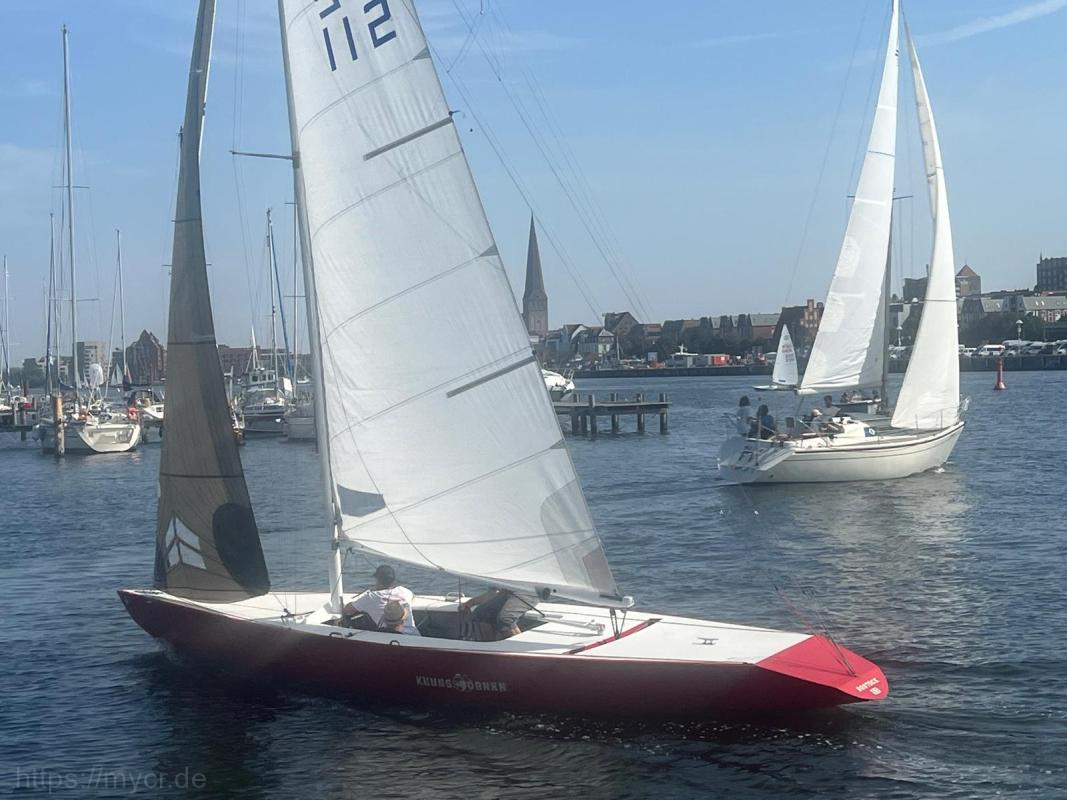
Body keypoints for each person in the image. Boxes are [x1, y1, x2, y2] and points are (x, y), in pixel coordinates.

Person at [341, 565, 420, 636]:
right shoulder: (405, 591)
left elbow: (347, 610)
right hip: (414, 636)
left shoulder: (372, 597)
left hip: (387, 638)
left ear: (378, 580)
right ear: (393, 580)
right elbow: (412, 596)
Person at [461, 588, 538, 640]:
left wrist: (471, 602)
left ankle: (519, 650)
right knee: (480, 613)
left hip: (528, 592)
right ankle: (490, 646)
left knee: (505, 619)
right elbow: (492, 593)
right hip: (507, 593)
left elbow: (493, 594)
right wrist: (470, 603)